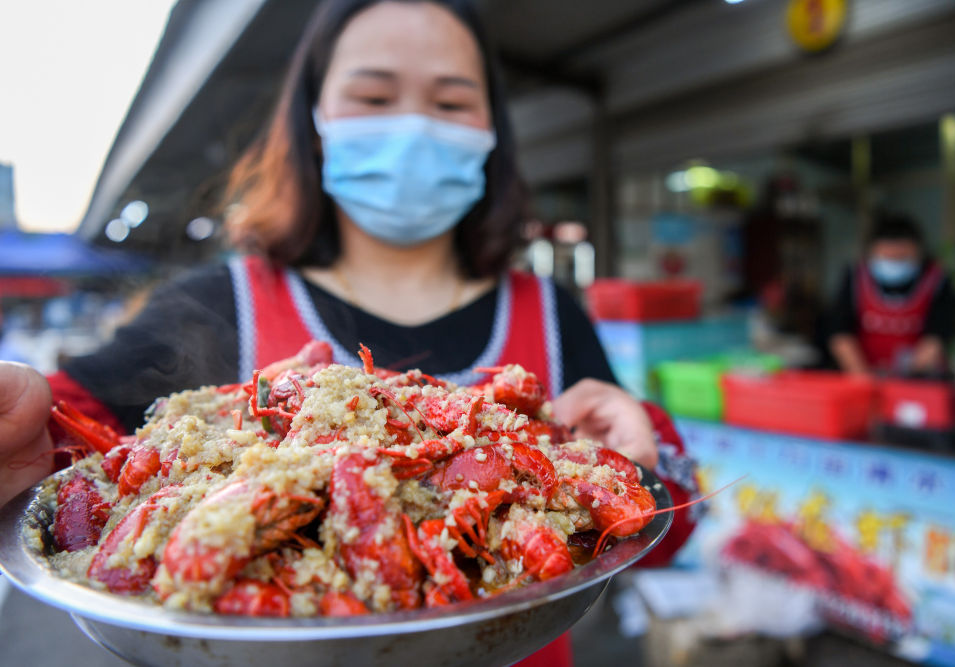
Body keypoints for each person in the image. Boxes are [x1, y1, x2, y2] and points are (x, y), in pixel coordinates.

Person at [0, 1, 699, 663]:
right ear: (312, 123)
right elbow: (62, 424)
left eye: (452, 102)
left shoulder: (552, 311)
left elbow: (651, 528)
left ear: (491, 135)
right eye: (372, 97)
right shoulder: (211, 304)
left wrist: (646, 454)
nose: (414, 125)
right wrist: (23, 431)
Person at [827, 212, 955, 376]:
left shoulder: (936, 279)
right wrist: (861, 375)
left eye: (901, 257)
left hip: (919, 378)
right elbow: (839, 332)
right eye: (888, 256)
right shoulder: (855, 277)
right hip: (864, 375)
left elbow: (939, 334)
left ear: (918, 251)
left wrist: (907, 375)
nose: (894, 262)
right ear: (872, 252)